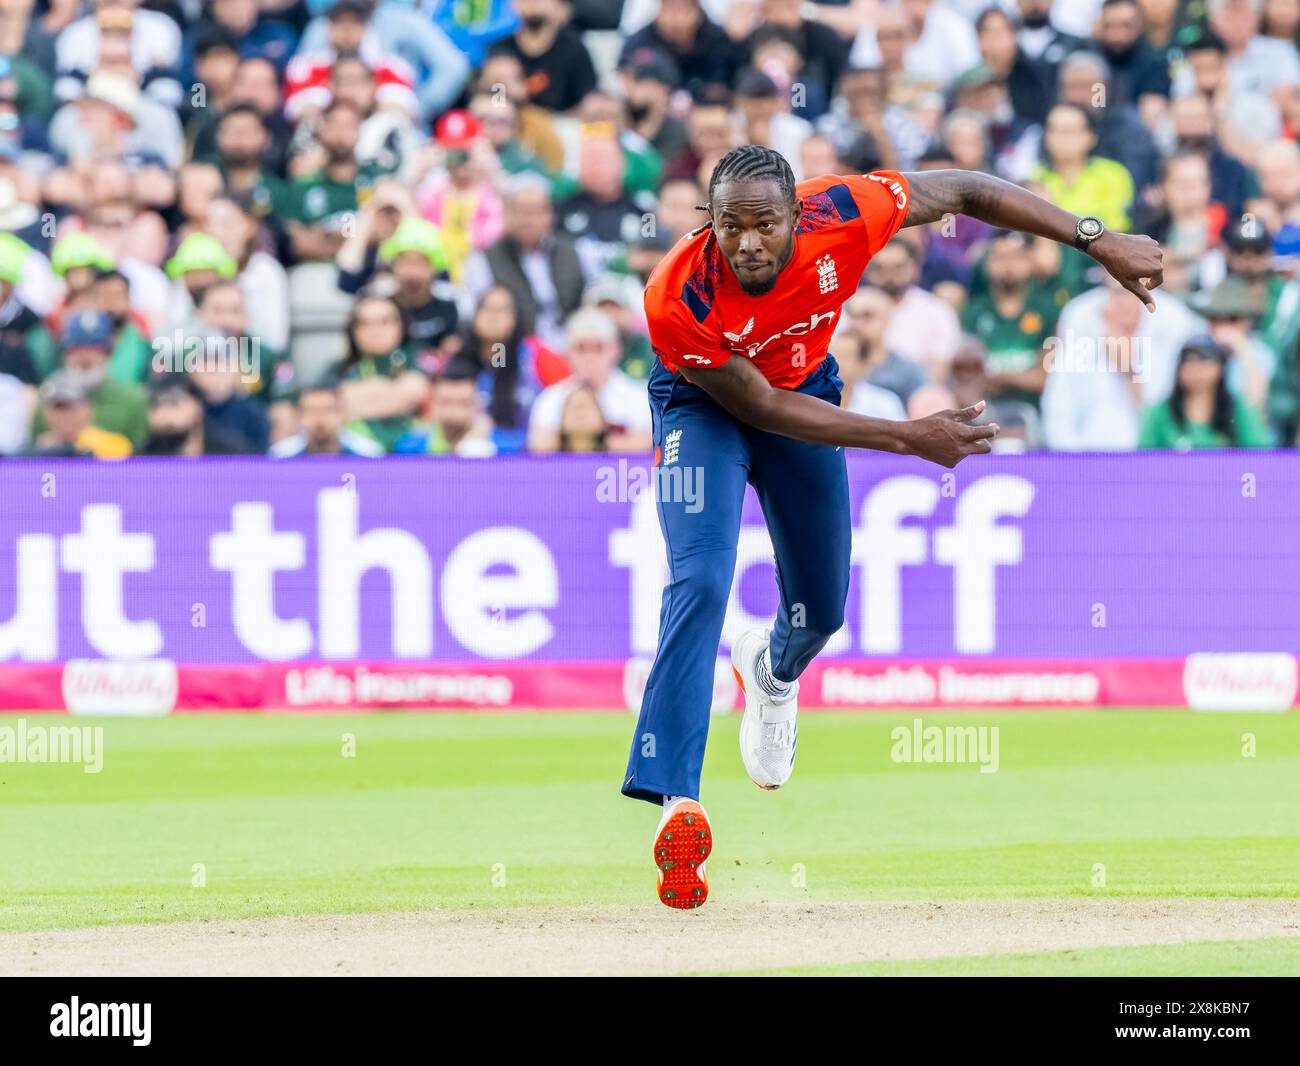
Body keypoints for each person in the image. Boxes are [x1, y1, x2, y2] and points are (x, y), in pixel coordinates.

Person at [630, 144, 1162, 909]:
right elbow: (755, 407)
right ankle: (680, 801)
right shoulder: (677, 293)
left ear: (796, 216)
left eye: (765, 225)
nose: (747, 243)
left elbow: (970, 190)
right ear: (707, 221)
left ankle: (773, 672)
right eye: (729, 226)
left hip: (804, 387)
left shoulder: (845, 211)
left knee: (821, 609)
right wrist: (908, 437)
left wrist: (1095, 237)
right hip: (705, 408)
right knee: (702, 576)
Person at [1139, 335, 1273, 448]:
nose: (1194, 368)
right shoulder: (1160, 412)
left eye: (1203, 360)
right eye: (1187, 361)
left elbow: (1260, 453)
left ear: (1220, 367)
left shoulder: (1238, 409)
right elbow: (1144, 461)